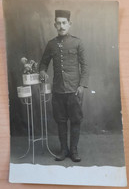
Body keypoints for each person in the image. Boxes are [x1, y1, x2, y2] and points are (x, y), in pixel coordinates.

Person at [39, 10, 88, 162]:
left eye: (64, 23)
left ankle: (73, 151)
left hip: (74, 90)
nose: (61, 26)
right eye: (58, 23)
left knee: (75, 120)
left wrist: (81, 86)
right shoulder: (51, 44)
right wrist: (42, 71)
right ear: (55, 25)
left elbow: (85, 66)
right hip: (58, 91)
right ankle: (63, 150)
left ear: (69, 24)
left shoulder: (78, 42)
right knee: (60, 121)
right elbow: (43, 63)